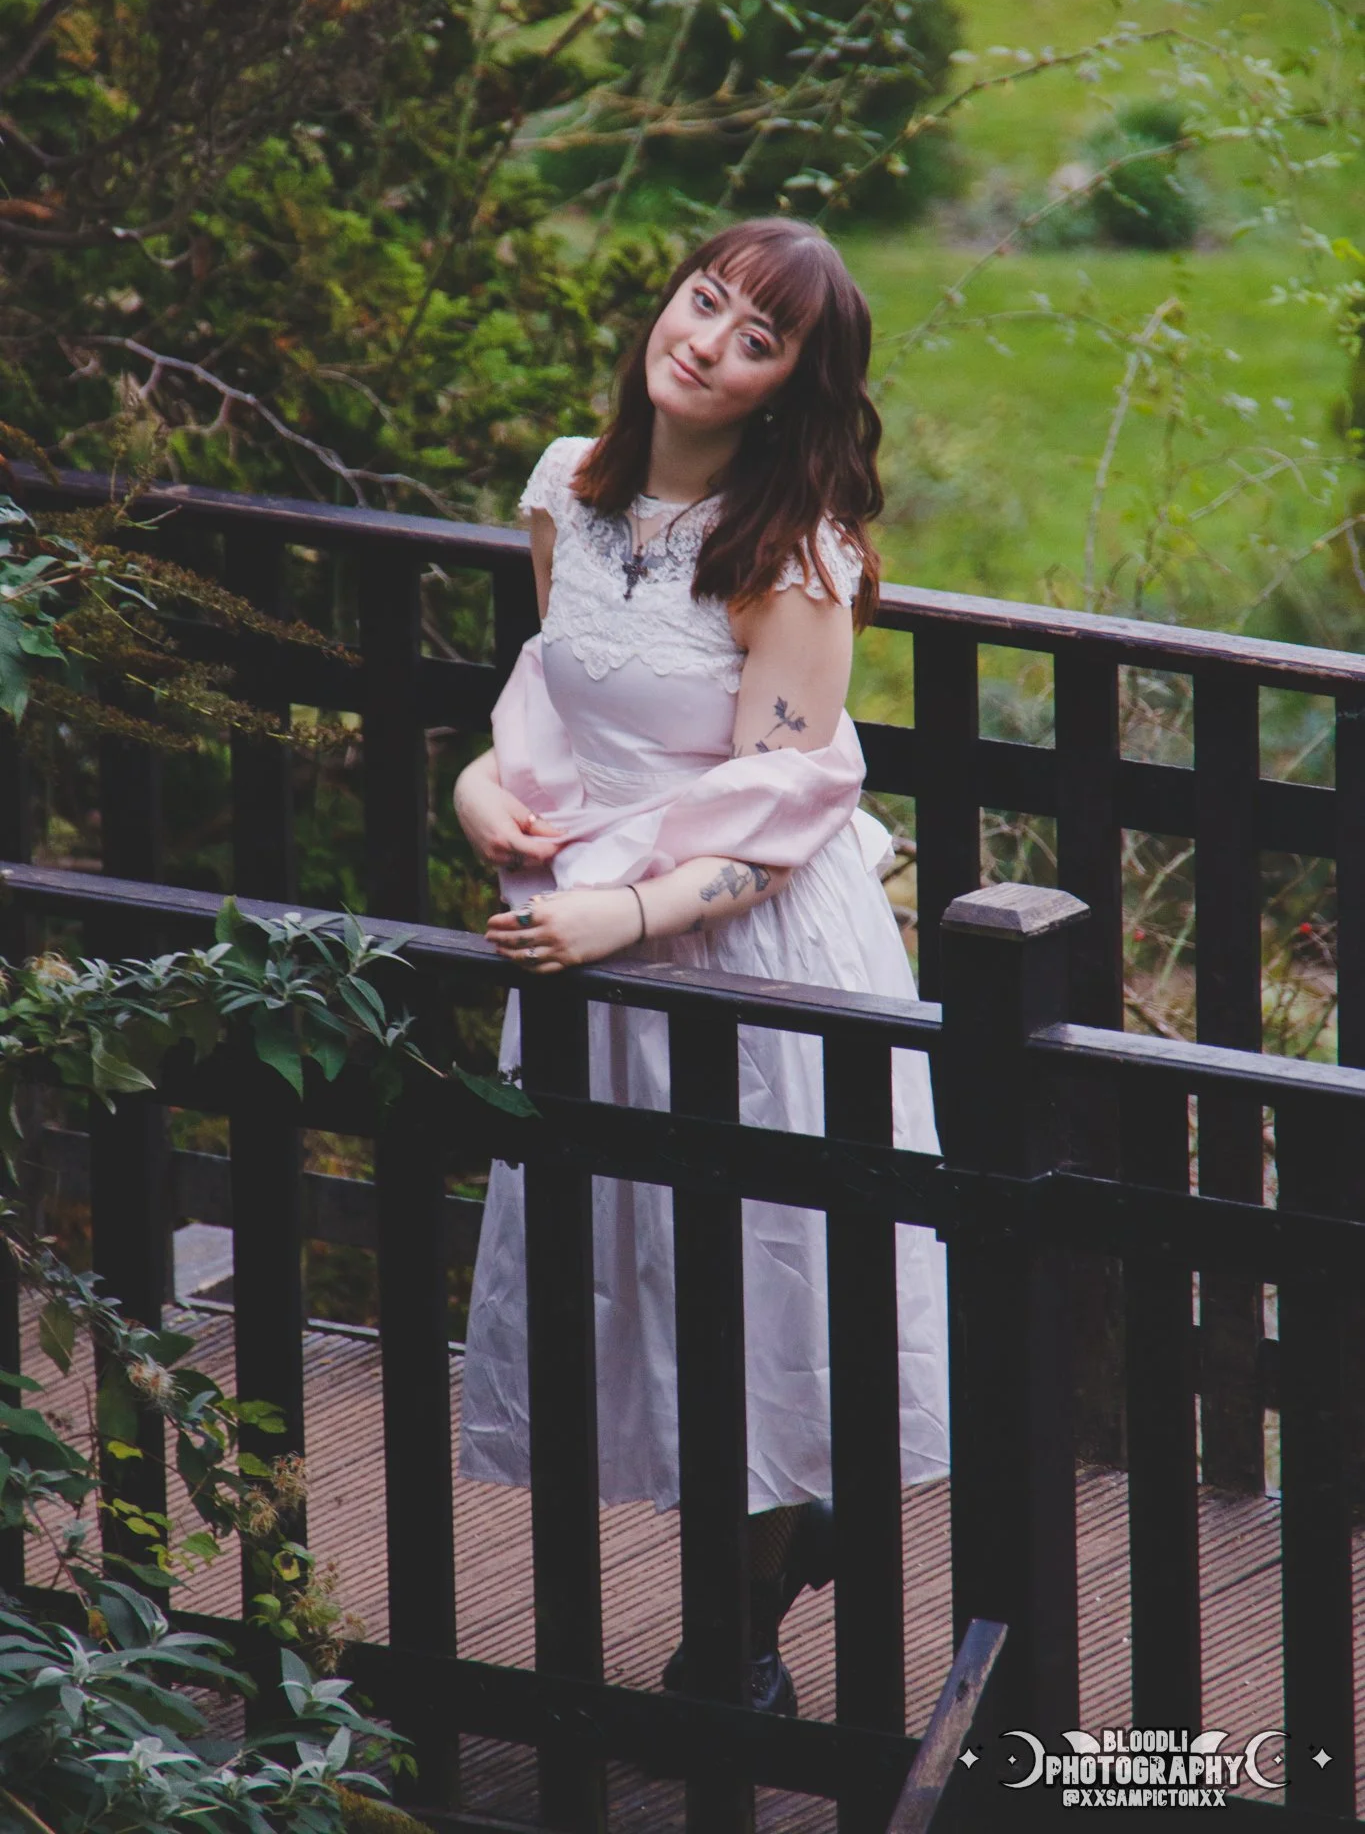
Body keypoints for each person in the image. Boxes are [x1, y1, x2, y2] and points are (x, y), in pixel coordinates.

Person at [453, 217, 948, 1717]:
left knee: (755, 1289)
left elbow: (788, 815)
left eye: (758, 340)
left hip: (747, 951)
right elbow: (553, 698)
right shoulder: (571, 486)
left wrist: (632, 913)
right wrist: (479, 792)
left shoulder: (788, 557)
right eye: (706, 301)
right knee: (638, 1273)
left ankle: (733, 1648)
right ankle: (796, 1531)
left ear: (791, 386)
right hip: (594, 930)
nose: (709, 343)